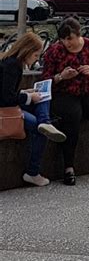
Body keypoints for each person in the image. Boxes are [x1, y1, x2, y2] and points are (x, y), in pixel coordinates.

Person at [41, 17, 89, 185]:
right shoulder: (55, 51)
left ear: (78, 34)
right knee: (71, 117)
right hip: (65, 93)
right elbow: (44, 80)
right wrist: (61, 76)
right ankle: (68, 167)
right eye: (63, 39)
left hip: (88, 91)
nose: (67, 43)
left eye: (70, 39)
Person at [0, 33, 66, 187]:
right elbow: (6, 98)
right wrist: (29, 98)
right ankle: (32, 172)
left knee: (44, 95)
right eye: (36, 55)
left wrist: (26, 93)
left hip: (8, 105)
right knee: (39, 130)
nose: (37, 59)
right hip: (5, 110)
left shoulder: (10, 62)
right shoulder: (12, 66)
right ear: (27, 51)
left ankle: (45, 122)